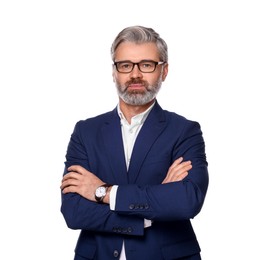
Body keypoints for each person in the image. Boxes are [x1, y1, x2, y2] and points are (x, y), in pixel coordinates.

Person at [60, 25, 209, 260]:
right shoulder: (85, 132)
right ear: (114, 72)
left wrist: (103, 193)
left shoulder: (185, 131)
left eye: (147, 65)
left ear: (164, 71)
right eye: (125, 65)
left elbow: (186, 201)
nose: (135, 74)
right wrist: (152, 209)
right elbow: (74, 212)